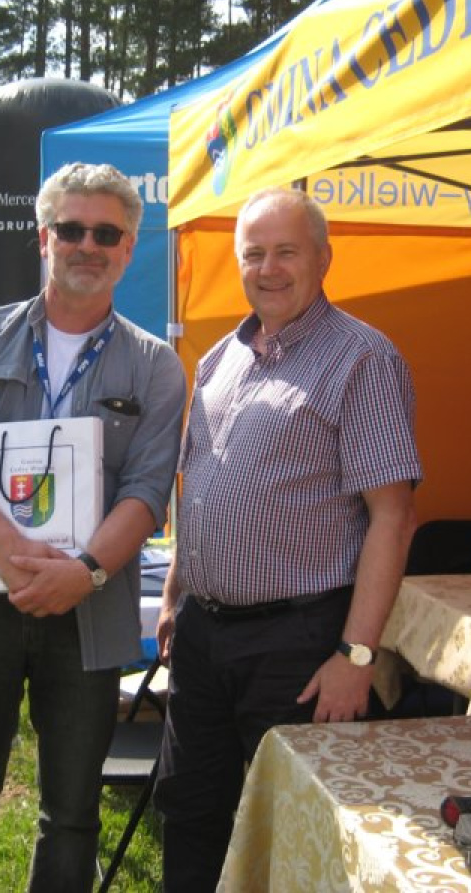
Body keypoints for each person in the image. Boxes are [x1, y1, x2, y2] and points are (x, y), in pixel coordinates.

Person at [0, 162, 186, 893]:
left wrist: (83, 574)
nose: (87, 245)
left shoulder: (155, 367)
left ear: (129, 248)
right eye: (71, 229)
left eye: (107, 234)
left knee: (72, 816)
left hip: (87, 612)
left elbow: (148, 492)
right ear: (44, 238)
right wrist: (11, 551)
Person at [153, 186, 422, 892]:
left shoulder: (361, 359)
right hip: (204, 636)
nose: (268, 269)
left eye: (285, 253)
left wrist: (356, 656)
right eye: (254, 254)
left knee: (302, 831)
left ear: (324, 259)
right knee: (190, 811)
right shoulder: (219, 359)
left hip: (298, 644)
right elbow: (197, 488)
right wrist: (175, 596)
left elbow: (393, 517)